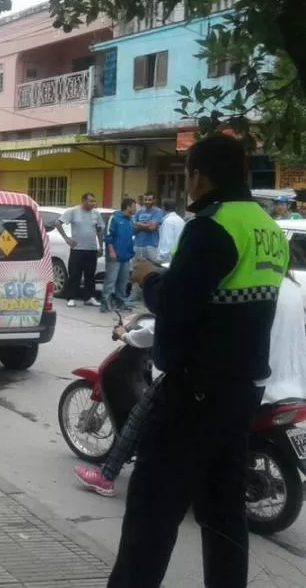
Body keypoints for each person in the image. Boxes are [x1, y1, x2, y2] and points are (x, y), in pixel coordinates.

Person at [106, 134, 289, 588]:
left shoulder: (211, 225)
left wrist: (149, 278)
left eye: (188, 175)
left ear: (199, 176)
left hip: (194, 390)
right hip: (242, 389)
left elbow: (180, 304)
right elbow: (222, 295)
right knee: (224, 512)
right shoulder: (266, 228)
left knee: (152, 508)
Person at [76, 266, 306, 499]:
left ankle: (107, 476)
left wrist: (132, 329)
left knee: (140, 415)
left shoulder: (242, 285)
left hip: (237, 378)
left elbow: (177, 321)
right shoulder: (292, 290)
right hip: (290, 383)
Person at [56, 192, 104, 308]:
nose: (93, 204)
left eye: (94, 201)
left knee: (90, 275)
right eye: (90, 201)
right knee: (75, 274)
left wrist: (100, 246)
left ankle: (89, 297)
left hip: (91, 249)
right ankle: (71, 297)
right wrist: (67, 239)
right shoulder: (73, 211)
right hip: (77, 248)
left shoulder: (96, 214)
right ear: (83, 201)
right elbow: (58, 223)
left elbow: (99, 230)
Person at [100, 197, 136, 312]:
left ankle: (120, 301)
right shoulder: (114, 218)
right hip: (115, 255)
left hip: (126, 256)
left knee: (123, 280)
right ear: (128, 207)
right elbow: (108, 236)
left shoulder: (130, 220)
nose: (136, 209)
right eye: (134, 206)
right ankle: (105, 302)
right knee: (111, 280)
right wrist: (111, 251)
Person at [129, 191, 163, 300]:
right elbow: (133, 227)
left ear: (154, 200)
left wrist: (140, 225)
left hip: (151, 245)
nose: (147, 202)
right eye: (145, 199)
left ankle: (150, 295)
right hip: (138, 244)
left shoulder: (158, 211)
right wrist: (146, 225)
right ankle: (134, 295)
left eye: (150, 199)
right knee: (135, 269)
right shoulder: (139, 211)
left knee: (152, 270)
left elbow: (152, 228)